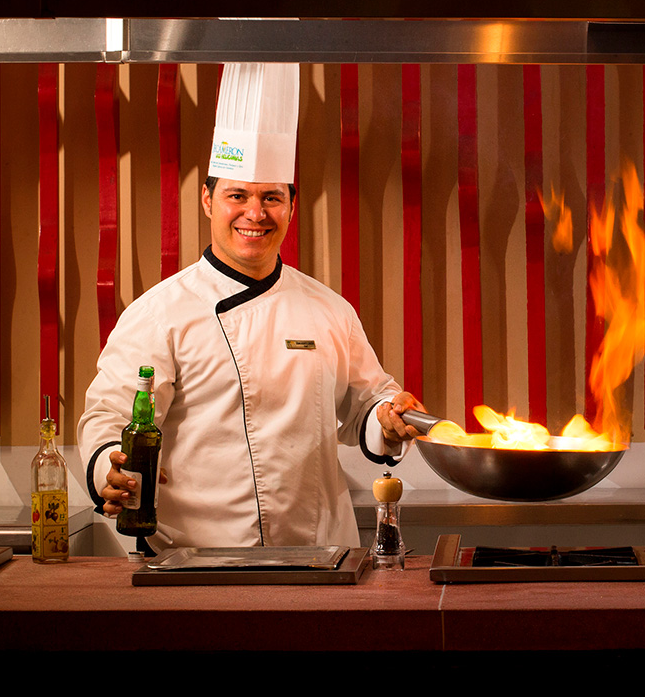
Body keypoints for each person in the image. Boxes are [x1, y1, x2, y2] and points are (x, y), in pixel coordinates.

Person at [77, 63, 423, 551]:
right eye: (237, 195)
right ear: (207, 200)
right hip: (196, 561)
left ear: (292, 205)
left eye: (271, 198)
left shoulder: (330, 311)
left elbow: (366, 405)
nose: (255, 214)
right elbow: (110, 414)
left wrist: (389, 416)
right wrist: (108, 468)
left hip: (319, 559)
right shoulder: (159, 313)